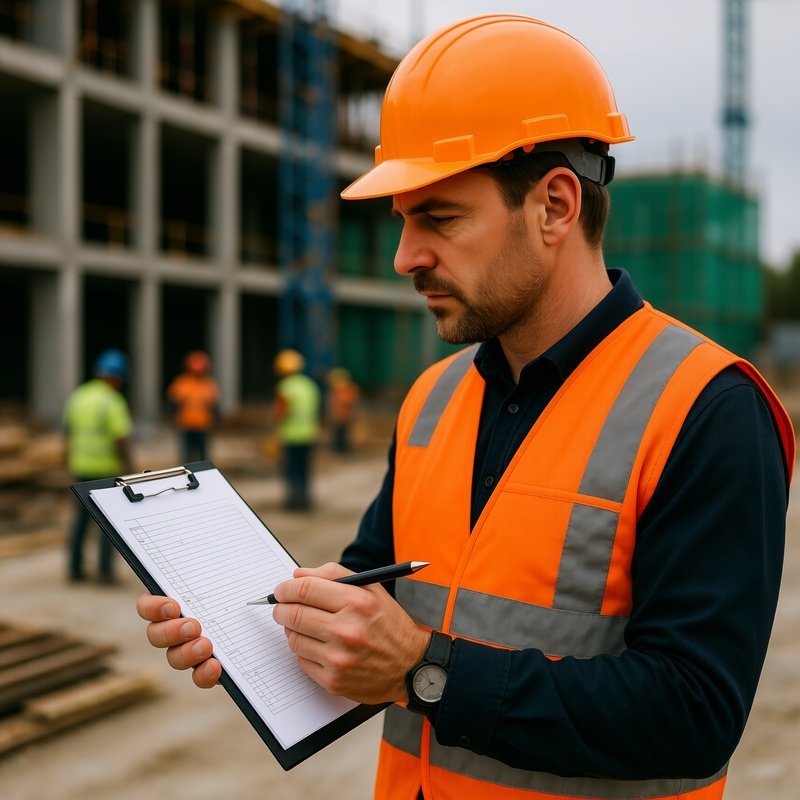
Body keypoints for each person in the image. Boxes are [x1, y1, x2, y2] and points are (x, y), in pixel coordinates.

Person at [135, 15, 795, 800]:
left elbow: (695, 713)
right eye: (404, 222)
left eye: (438, 218)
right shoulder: (433, 397)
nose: (404, 257)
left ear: (554, 206)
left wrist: (424, 669)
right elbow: (378, 595)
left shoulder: (707, 408)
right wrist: (269, 630)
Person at [64, 348, 134, 583]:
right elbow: (120, 438)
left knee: (81, 520)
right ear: (116, 376)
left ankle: (75, 569)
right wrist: (129, 464)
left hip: (81, 467)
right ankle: (105, 573)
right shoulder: (112, 400)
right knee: (107, 524)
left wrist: (68, 459)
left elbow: (69, 431)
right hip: (105, 470)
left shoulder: (79, 395)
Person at [272, 348, 321, 510]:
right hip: (309, 433)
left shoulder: (285, 387)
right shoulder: (309, 385)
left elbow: (281, 412)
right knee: (304, 469)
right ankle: (305, 500)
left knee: (291, 469)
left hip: (291, 435)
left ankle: (293, 501)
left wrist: (274, 428)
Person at [166, 350, 220, 463]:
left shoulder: (208, 384)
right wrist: (174, 419)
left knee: (202, 456)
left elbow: (214, 406)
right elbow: (174, 404)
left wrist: (215, 422)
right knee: (187, 457)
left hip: (203, 426)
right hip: (186, 425)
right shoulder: (182, 383)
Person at [326, 367, 360, 453]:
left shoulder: (347, 390)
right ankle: (338, 448)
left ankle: (342, 449)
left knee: (342, 434)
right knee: (337, 434)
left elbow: (349, 402)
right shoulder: (336, 391)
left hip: (344, 417)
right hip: (338, 417)